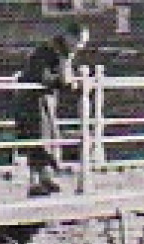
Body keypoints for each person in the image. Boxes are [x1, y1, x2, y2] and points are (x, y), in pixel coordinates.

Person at [18, 22, 90, 196]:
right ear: (69, 36)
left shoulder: (62, 51)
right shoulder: (52, 51)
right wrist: (69, 80)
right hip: (33, 97)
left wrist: (69, 79)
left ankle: (44, 178)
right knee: (38, 137)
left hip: (43, 97)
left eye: (83, 43)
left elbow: (61, 78)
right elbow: (44, 76)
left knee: (48, 136)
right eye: (79, 41)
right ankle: (36, 181)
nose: (80, 47)